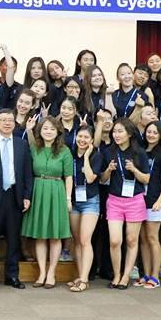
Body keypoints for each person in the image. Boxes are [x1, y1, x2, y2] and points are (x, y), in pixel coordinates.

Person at [0, 109, 32, 290]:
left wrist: (27, 196)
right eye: (4, 120)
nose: (8, 123)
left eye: (11, 120)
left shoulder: (22, 144)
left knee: (13, 238)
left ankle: (12, 276)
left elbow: (27, 172)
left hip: (15, 195)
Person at [22, 116, 73, 288]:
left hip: (56, 190)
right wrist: (29, 130)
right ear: (40, 131)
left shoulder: (64, 151)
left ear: (58, 131)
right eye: (45, 128)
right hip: (38, 190)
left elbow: (68, 177)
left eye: (52, 129)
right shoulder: (34, 148)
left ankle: (52, 272)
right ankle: (42, 273)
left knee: (55, 235)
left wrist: (68, 198)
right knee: (40, 235)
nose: (48, 131)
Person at [100, 118, 151, 289]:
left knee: (131, 240)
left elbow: (146, 178)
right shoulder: (108, 152)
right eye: (114, 131)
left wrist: (134, 170)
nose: (116, 135)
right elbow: (102, 179)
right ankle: (116, 275)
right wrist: (108, 170)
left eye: (120, 131)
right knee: (115, 240)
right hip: (114, 200)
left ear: (129, 134)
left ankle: (126, 276)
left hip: (135, 200)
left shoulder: (139, 152)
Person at [67, 124, 100, 292]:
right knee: (77, 240)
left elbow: (90, 177)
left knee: (85, 239)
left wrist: (86, 157)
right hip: (74, 201)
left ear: (92, 140)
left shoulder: (96, 155)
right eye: (80, 136)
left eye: (86, 137)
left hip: (90, 202)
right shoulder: (70, 154)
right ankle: (80, 275)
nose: (82, 140)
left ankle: (85, 280)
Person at [139, 122, 161, 288]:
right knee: (143, 239)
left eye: (155, 132)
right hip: (139, 200)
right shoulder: (141, 151)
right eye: (149, 131)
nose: (151, 135)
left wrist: (160, 201)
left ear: (160, 135)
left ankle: (155, 275)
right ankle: (145, 274)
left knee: (153, 238)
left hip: (155, 201)